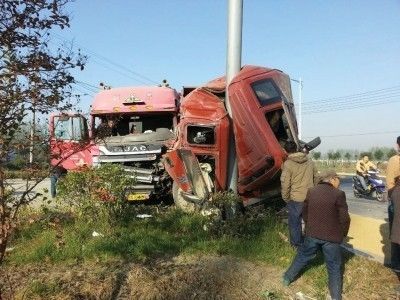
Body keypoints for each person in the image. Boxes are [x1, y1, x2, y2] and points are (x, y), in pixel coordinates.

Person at [283, 170, 350, 300]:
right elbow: (344, 219)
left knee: (302, 256)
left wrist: (309, 227)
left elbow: (305, 212)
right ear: (332, 179)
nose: (339, 183)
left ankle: (287, 278)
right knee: (334, 267)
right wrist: (342, 234)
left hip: (312, 234)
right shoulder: (339, 194)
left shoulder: (312, 191)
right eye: (338, 180)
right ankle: (336, 297)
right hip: (331, 238)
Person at [280, 141, 318, 247]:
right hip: (310, 197)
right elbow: (316, 178)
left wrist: (286, 198)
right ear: (296, 148)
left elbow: (285, 184)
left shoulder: (288, 164)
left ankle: (297, 245)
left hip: (296, 199)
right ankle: (311, 244)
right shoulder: (310, 161)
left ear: (285, 151)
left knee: (294, 223)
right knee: (309, 222)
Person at [387, 136, 400, 274]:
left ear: (397, 145)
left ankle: (396, 263)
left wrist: (394, 198)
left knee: (396, 231)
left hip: (397, 199)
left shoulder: (394, 160)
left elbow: (390, 183)